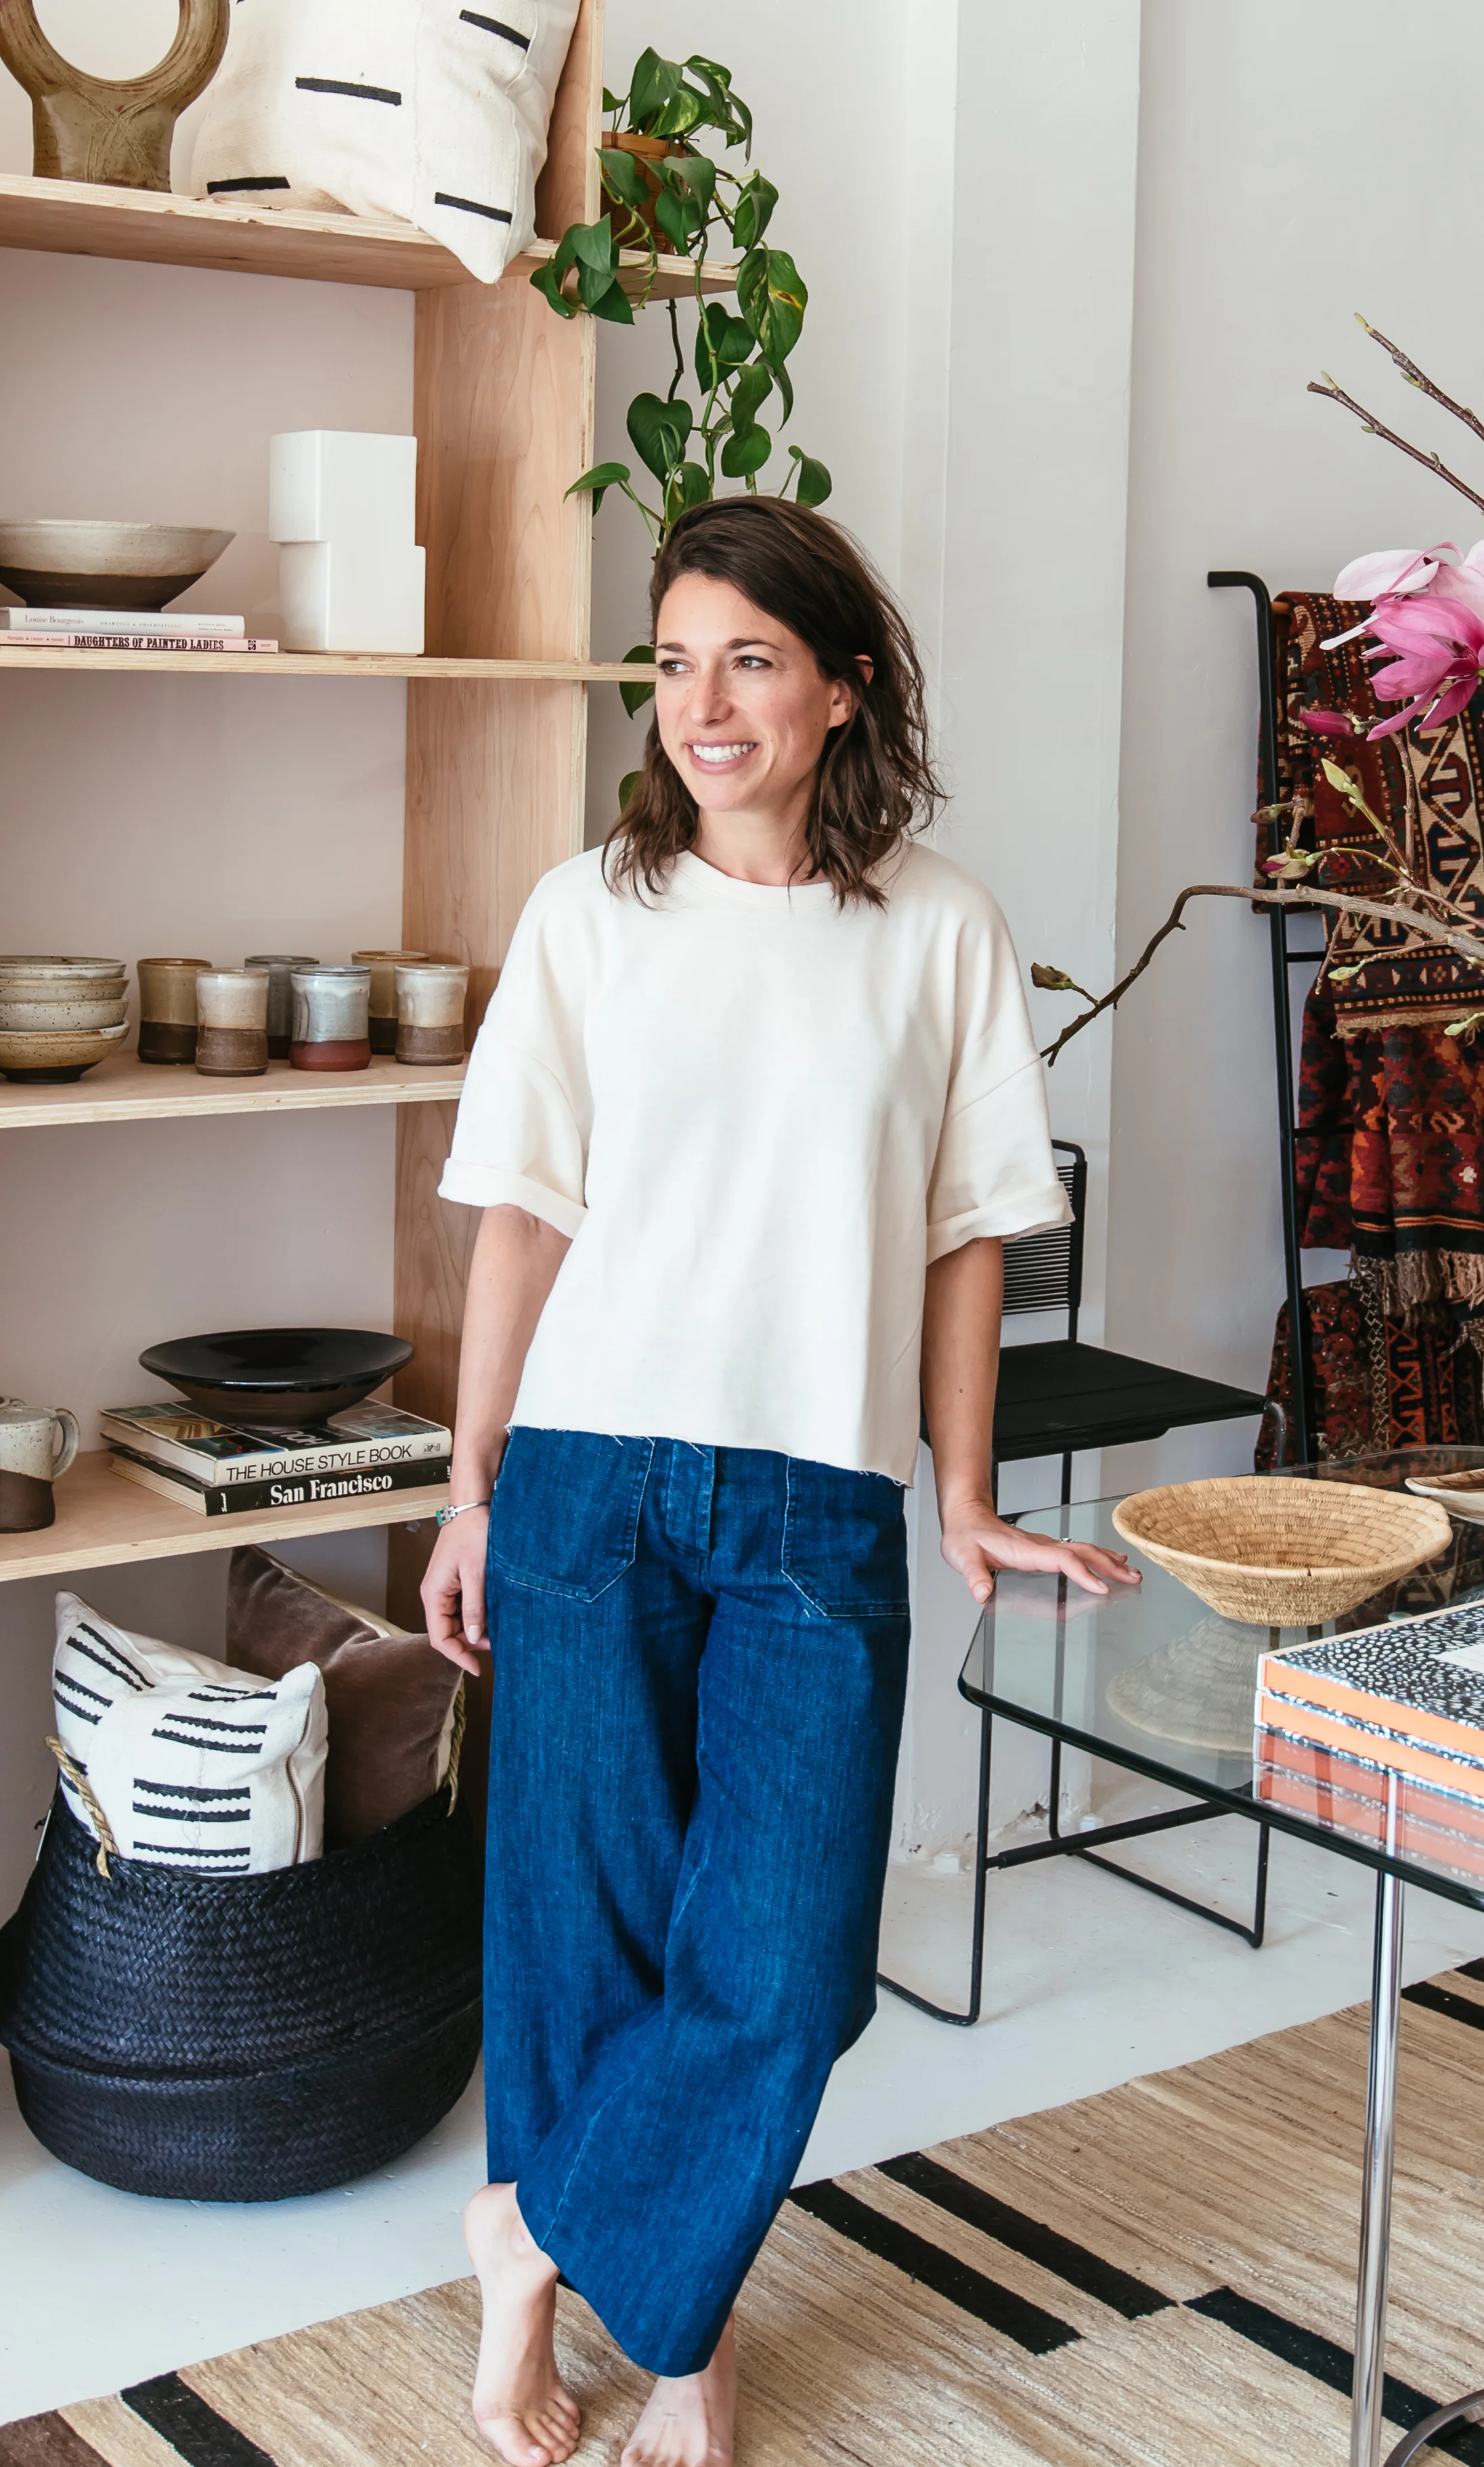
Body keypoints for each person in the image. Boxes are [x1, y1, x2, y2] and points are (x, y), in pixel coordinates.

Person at [422, 494, 1139, 2467]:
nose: (706, 705)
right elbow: (521, 1225)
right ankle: (688, 2349)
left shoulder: (943, 928)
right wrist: (469, 1491)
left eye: (752, 659)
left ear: (847, 687)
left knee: (796, 1957)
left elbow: (971, 1233)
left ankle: (537, 2224)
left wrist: (967, 1492)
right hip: (584, 1478)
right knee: (583, 1928)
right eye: (676, 662)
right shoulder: (589, 914)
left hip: (820, 1498)